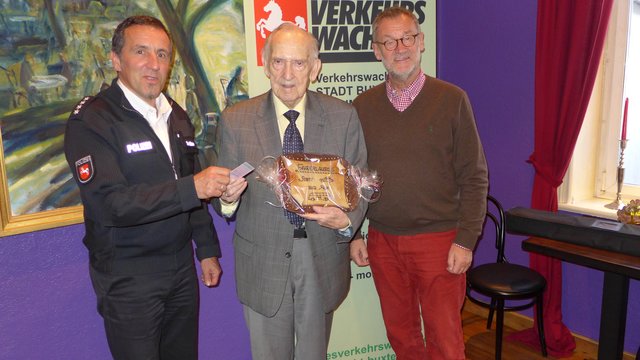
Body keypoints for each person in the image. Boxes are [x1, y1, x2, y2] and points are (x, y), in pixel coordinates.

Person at [64, 15, 231, 359]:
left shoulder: (177, 116)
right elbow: (110, 204)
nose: (154, 64)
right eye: (141, 52)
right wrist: (193, 188)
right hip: (129, 275)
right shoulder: (92, 120)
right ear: (116, 60)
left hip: (181, 268)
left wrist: (207, 249)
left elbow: (193, 189)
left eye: (162, 54)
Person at [215, 22, 368, 359]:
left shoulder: (343, 117)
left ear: (314, 68)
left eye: (298, 63)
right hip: (263, 260)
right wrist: (226, 200)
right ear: (266, 65)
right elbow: (220, 194)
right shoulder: (236, 120)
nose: (287, 74)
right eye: (278, 61)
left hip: (322, 255)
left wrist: (346, 220)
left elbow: (360, 184)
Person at [350, 7, 489, 360]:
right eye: (389, 41)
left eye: (408, 37)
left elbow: (474, 176)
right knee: (402, 337)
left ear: (421, 42)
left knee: (445, 342)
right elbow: (354, 177)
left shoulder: (452, 100)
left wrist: (466, 240)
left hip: (440, 243)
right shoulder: (362, 107)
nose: (401, 48)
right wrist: (354, 234)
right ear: (376, 50)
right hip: (383, 242)